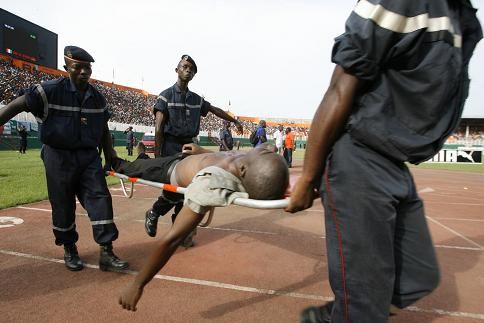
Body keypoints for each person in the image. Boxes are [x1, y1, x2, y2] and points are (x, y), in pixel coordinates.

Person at [286, 1, 482, 322]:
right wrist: (309, 177)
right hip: (361, 157)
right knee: (365, 306)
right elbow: (339, 86)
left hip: (396, 162)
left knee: (418, 276)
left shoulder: (463, 17)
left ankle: (341, 314)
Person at [0, 46, 129, 272]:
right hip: (57, 157)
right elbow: (15, 106)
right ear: (66, 68)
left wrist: (110, 154)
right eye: (77, 67)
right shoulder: (47, 91)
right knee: (62, 204)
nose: (83, 72)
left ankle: (106, 252)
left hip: (88, 157)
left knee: (100, 200)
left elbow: (104, 128)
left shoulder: (97, 98)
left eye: (87, 68)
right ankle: (70, 249)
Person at [116, 142, 289, 311]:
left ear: (243, 171)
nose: (263, 149)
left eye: (262, 153)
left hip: (167, 170)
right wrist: (202, 151)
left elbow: (172, 239)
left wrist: (138, 284)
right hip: (186, 157)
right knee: (144, 163)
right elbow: (268, 145)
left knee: (128, 167)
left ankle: (122, 158)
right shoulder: (251, 163)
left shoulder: (211, 184)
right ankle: (142, 157)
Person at [145, 54, 243, 248]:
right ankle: (155, 212)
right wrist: (158, 157)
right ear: (177, 70)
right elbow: (158, 127)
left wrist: (235, 120)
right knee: (174, 188)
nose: (188, 70)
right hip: (170, 146)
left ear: (194, 75)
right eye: (184, 66)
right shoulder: (165, 96)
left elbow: (214, 109)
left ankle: (177, 228)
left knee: (189, 189)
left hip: (189, 147)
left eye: (191, 68)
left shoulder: (197, 99)